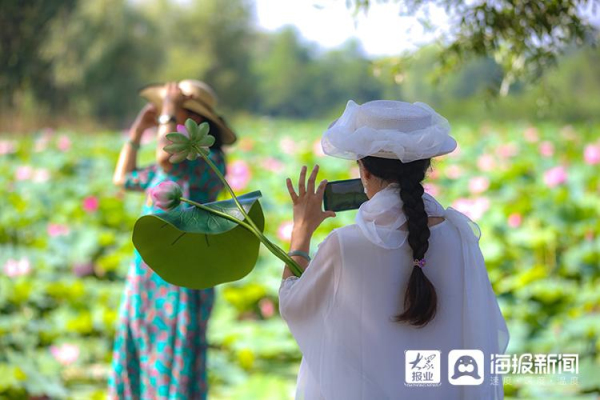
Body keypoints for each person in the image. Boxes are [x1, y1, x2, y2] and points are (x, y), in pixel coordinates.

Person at [279, 100, 510, 400]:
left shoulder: (344, 245)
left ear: (363, 170)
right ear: (425, 168)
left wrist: (301, 232)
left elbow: (293, 303)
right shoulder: (461, 235)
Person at [110, 79, 237, 399]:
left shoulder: (206, 158)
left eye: (177, 114)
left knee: (176, 351)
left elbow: (167, 158)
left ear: (197, 122)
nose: (169, 122)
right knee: (138, 342)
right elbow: (122, 179)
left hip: (183, 274)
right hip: (147, 274)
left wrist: (166, 110)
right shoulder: (167, 169)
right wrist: (138, 131)